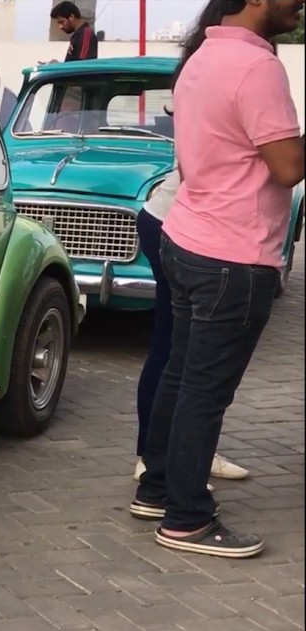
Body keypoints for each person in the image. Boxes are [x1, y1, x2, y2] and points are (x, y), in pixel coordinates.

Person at [132, 0, 304, 559]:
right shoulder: (258, 68)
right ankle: (187, 518)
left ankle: (156, 489)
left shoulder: (201, 57)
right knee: (204, 391)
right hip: (233, 253)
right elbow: (288, 168)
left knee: (182, 377)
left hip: (187, 236)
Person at [132, 0, 252, 495]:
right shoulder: (220, 70)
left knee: (181, 351)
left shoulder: (200, 67)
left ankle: (175, 452)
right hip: (177, 221)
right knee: (176, 350)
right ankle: (153, 458)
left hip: (173, 219)